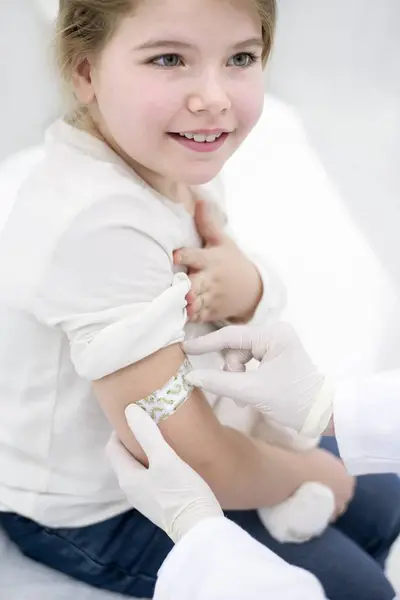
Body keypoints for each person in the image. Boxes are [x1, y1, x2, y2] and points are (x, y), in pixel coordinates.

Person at [0, 2, 398, 600]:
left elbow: (223, 285)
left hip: (208, 433)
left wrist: (250, 288)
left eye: (240, 57)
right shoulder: (96, 225)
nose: (213, 98)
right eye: (169, 59)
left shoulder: (174, 152)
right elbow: (186, 456)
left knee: (384, 498)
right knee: (357, 587)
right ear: (85, 73)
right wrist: (309, 472)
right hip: (103, 504)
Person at [107, 404, 328, 600]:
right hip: (117, 513)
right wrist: (309, 471)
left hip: (249, 451)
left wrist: (190, 519)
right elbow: (204, 461)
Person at [182, 322, 400, 476]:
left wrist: (321, 408)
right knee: (380, 519)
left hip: (275, 440)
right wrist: (304, 473)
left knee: (386, 505)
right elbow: (205, 457)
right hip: (234, 467)